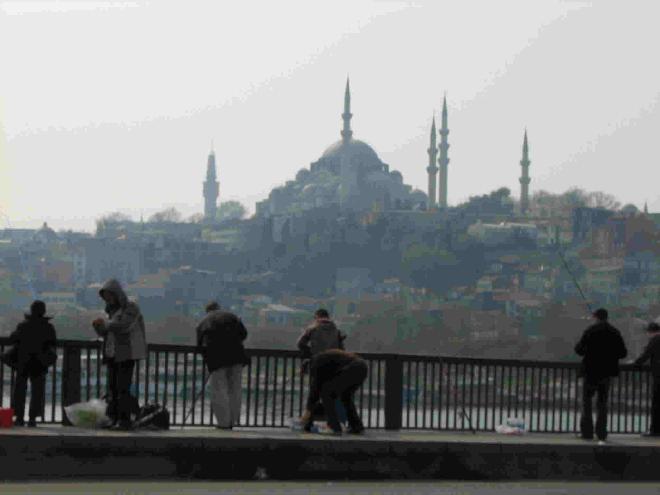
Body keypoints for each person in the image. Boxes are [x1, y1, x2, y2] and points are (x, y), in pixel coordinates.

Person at [92, 279, 146, 430]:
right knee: (113, 388)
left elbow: (124, 326)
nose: (107, 299)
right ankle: (113, 418)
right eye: (105, 296)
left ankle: (124, 420)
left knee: (123, 388)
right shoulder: (111, 311)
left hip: (126, 353)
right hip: (112, 354)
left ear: (117, 294)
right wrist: (99, 328)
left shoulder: (131, 308)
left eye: (109, 295)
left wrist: (106, 325)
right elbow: (108, 332)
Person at [574, 308, 627, 443]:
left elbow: (579, 350)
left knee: (586, 402)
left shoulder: (590, 331)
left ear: (595, 317)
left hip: (590, 371)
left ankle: (587, 433)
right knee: (602, 404)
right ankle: (601, 433)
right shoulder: (615, 332)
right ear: (606, 317)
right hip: (606, 373)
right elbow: (623, 353)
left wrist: (589, 350)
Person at [196, 301, 249, 429]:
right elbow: (244, 334)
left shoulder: (203, 322)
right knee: (235, 388)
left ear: (207, 311)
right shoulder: (232, 317)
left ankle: (223, 423)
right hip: (237, 356)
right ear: (219, 308)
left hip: (217, 358)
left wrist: (206, 358)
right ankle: (233, 420)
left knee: (219, 390)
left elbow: (199, 344)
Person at [9, 300, 57, 427]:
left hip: (23, 361)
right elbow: (53, 342)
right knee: (37, 391)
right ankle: (32, 418)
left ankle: (19, 417)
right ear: (44, 311)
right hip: (39, 363)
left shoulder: (23, 326)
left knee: (20, 390)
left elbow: (13, 338)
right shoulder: (48, 327)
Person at [297, 308, 347, 425]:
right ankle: (332, 423)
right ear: (328, 317)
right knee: (330, 394)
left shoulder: (312, 328)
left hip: (317, 364)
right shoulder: (337, 330)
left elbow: (300, 344)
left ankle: (308, 422)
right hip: (333, 366)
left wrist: (311, 353)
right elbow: (342, 349)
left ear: (316, 317)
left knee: (314, 393)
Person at [300, 349, 368, 436]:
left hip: (353, 367)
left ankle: (334, 427)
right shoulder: (322, 361)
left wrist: (308, 409)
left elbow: (315, 389)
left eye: (308, 373)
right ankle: (357, 426)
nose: (310, 375)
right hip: (362, 367)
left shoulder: (315, 364)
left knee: (326, 394)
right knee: (345, 397)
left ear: (308, 367)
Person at [633, 321, 660, 437]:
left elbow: (646, 355)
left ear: (650, 332)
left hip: (659, 377)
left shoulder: (655, 341)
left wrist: (636, 363)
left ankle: (655, 430)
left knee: (657, 404)